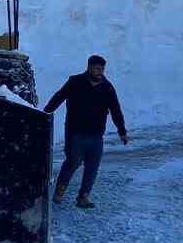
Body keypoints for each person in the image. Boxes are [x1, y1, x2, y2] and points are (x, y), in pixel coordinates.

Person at [43, 54, 127, 208]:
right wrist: (46, 113)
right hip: (75, 132)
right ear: (89, 67)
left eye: (102, 69)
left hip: (96, 134)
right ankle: (59, 192)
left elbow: (115, 109)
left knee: (92, 167)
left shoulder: (107, 87)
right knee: (72, 162)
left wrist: (122, 131)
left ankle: (83, 197)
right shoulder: (75, 82)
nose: (100, 72)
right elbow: (59, 97)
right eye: (97, 68)